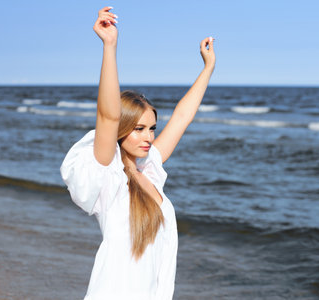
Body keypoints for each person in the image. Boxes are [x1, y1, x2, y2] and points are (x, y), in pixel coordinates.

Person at [60, 6, 215, 300]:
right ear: (122, 129)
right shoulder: (109, 178)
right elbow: (107, 116)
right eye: (139, 129)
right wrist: (110, 46)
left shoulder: (149, 172)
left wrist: (207, 68)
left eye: (152, 128)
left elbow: (182, 118)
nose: (148, 137)